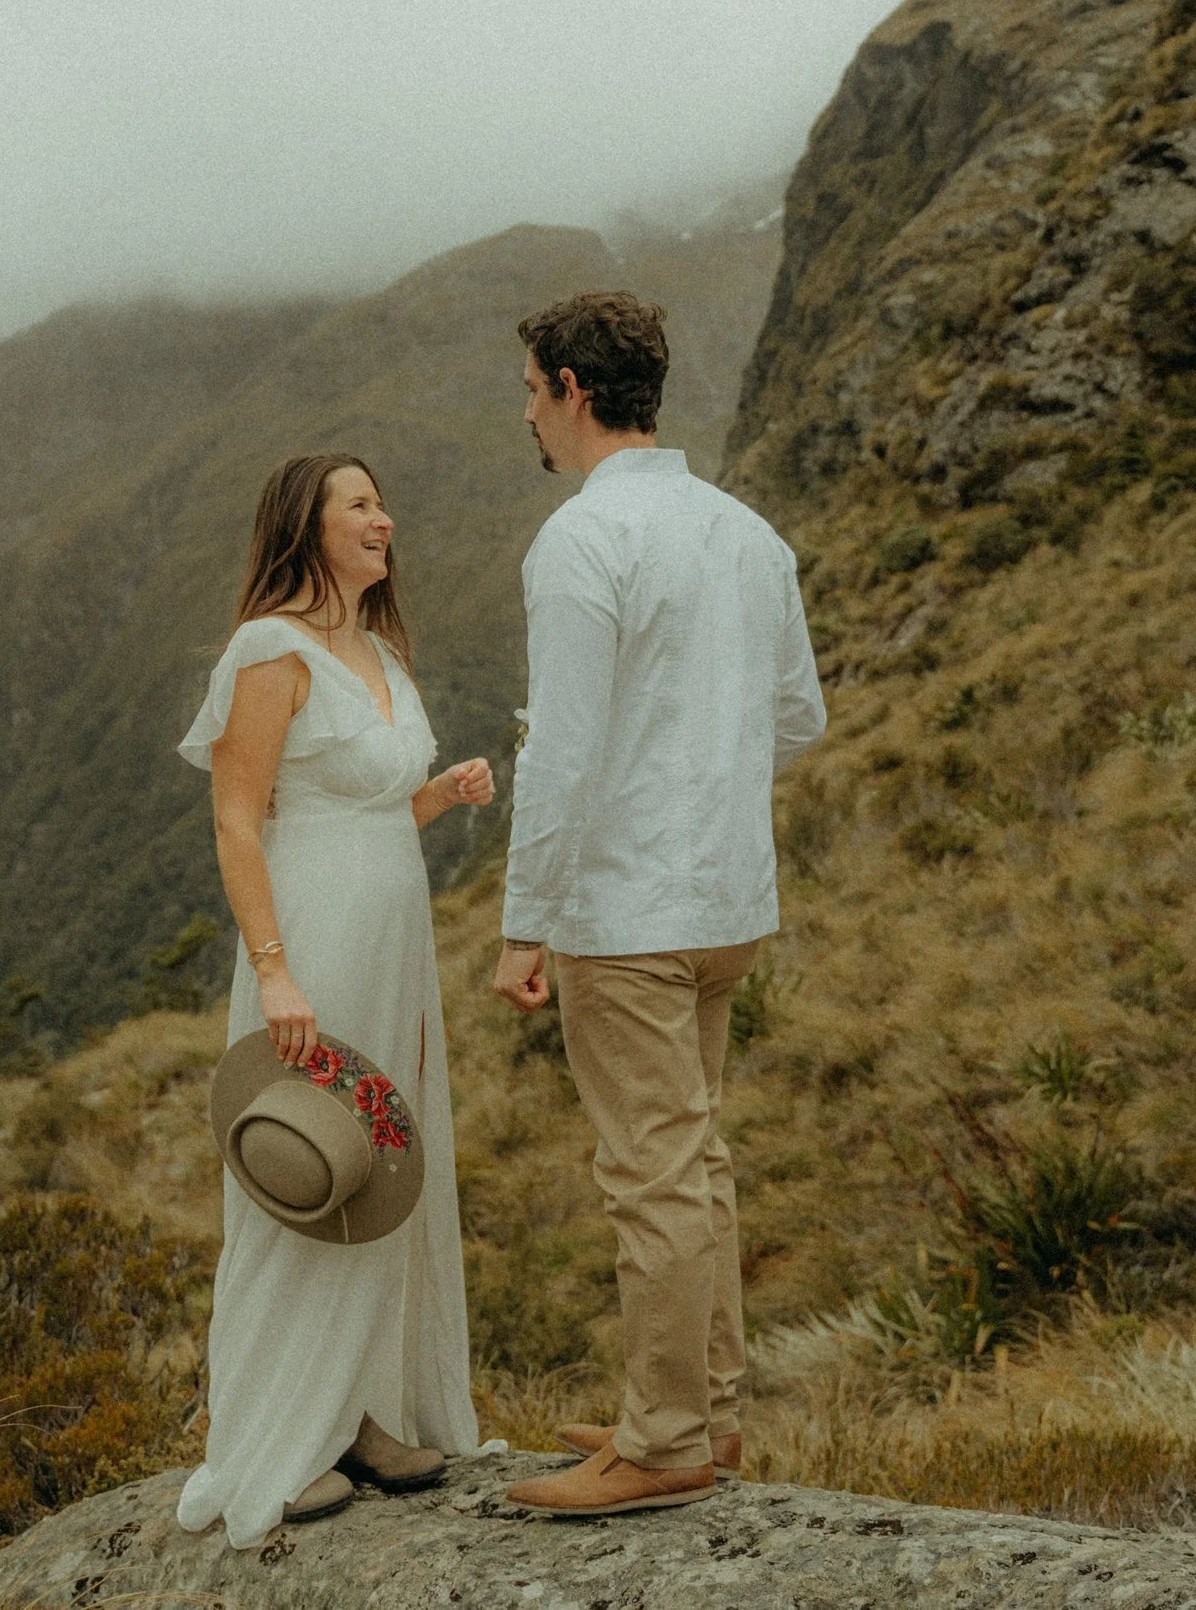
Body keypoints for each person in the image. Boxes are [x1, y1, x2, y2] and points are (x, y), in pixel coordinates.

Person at [494, 291, 826, 1517]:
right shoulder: (748, 532)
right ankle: (705, 1409)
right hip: (728, 896)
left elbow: (565, 753)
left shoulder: (581, 541)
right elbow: (800, 717)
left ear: (573, 389)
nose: (528, 414)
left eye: (531, 391)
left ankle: (667, 1434)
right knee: (696, 1154)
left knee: (651, 1169)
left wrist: (524, 920)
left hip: (626, 910)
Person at [173, 451, 496, 1547]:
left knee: (377, 1168)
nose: (382, 518)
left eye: (378, 502)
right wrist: (272, 965)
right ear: (304, 527)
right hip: (308, 938)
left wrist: (439, 796)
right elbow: (238, 817)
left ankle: (361, 1411)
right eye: (358, 504)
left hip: (391, 940)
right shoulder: (270, 648)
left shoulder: (376, 650)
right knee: (301, 1164)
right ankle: (275, 1430)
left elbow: (366, 817)